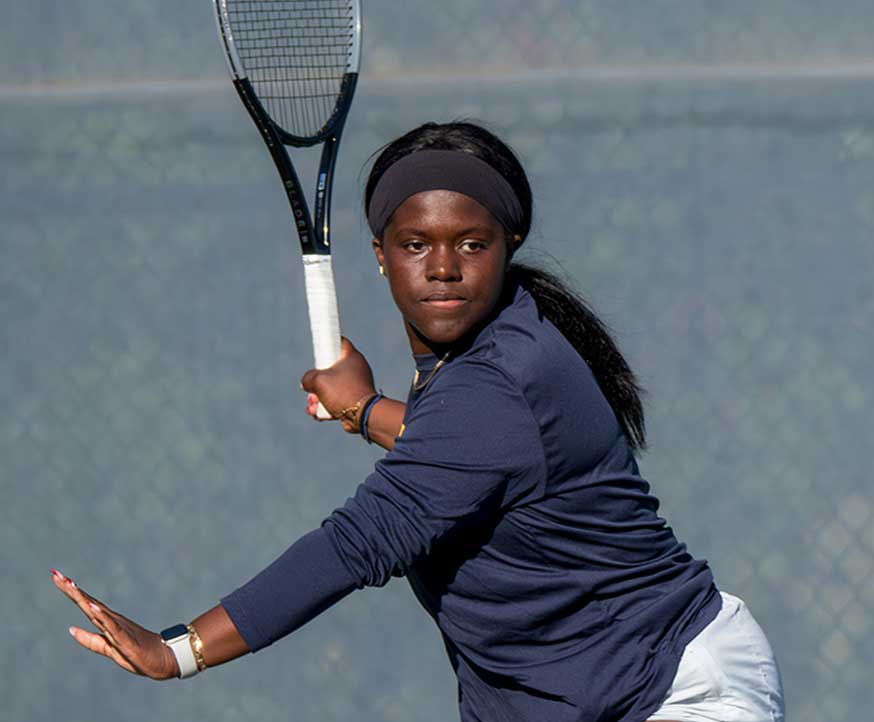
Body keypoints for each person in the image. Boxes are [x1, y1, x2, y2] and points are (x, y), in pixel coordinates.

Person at [52, 121, 784, 722]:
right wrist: (367, 410)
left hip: (670, 691)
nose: (443, 267)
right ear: (381, 256)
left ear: (509, 246)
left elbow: (360, 541)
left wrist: (178, 650)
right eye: (416, 245)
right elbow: (477, 462)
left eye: (471, 243)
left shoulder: (495, 380)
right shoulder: (487, 360)